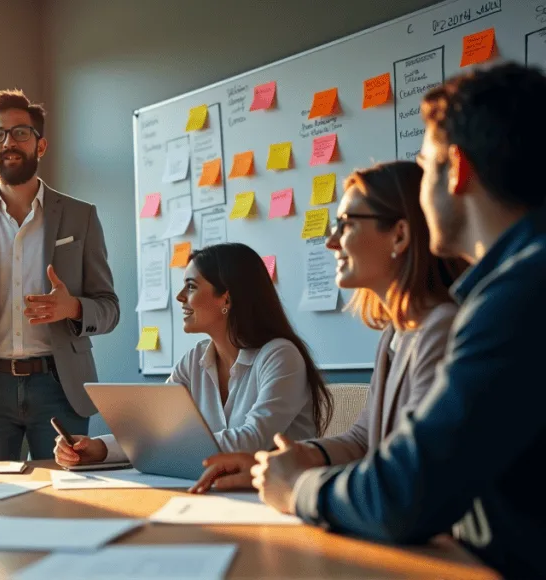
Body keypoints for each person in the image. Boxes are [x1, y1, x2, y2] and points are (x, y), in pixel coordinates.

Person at [250, 63, 546, 578]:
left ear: (457, 169)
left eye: (425, 166)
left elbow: (408, 491)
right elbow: (380, 448)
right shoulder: (512, 287)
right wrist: (306, 461)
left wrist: (299, 488)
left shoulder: (516, 298)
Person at [187, 161, 465, 493]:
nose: (331, 241)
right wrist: (277, 463)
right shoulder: (395, 334)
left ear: (400, 234)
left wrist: (300, 486)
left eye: (345, 225)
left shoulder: (441, 330)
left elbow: (410, 472)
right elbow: (363, 439)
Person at [0, 89, 120, 461]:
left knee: (65, 502)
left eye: (20, 133)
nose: (8, 143)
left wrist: (73, 308)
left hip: (60, 385)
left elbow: (109, 309)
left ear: (41, 145)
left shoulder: (80, 216)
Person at [55, 243, 332, 467]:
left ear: (226, 298)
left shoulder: (280, 356)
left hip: (278, 498)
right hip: (218, 492)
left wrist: (168, 446)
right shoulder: (193, 361)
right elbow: (154, 429)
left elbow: (252, 441)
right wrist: (98, 448)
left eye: (191, 286)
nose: (179, 297)